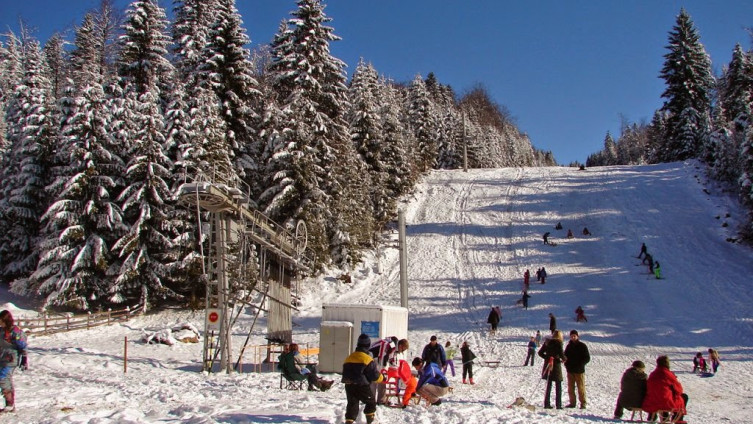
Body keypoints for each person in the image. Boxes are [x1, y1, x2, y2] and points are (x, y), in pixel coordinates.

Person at [342, 334, 384, 424]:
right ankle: (370, 421)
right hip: (362, 385)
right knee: (371, 402)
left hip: (349, 385)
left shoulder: (349, 357)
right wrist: (382, 378)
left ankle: (349, 421)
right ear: (368, 345)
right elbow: (374, 376)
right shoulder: (367, 359)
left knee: (352, 404)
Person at [642, 356, 688, 423]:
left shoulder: (653, 374)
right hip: (665, 402)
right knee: (683, 397)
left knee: (663, 395)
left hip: (652, 400)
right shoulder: (668, 374)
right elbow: (679, 390)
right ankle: (678, 419)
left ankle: (665, 417)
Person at [0, 310, 27, 413]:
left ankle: (10, 403)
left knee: (3, 378)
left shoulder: (15, 331)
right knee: (6, 380)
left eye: (1, 320)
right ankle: (10, 404)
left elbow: (23, 345)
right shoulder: (1, 331)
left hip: (10, 360)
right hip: (1, 358)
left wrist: (24, 359)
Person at [369, 337, 408, 404]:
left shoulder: (394, 347)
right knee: (376, 379)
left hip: (378, 359)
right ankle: (371, 400)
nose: (402, 351)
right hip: (373, 358)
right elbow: (382, 356)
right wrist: (383, 370)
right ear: (400, 346)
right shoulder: (389, 344)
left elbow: (390, 357)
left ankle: (381, 400)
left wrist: (394, 366)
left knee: (383, 379)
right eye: (403, 350)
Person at [538, 330, 565, 409]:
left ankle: (547, 404)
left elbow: (540, 353)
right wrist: (563, 359)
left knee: (548, 385)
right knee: (558, 385)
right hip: (556, 365)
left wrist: (547, 358)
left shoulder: (547, 342)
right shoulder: (559, 343)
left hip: (548, 365)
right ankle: (558, 404)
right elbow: (561, 354)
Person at [564, 330, 590, 409]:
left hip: (579, 371)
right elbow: (565, 357)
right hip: (570, 370)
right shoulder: (568, 346)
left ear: (577, 336)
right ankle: (572, 403)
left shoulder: (582, 346)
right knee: (570, 388)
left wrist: (580, 364)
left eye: (574, 336)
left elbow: (587, 358)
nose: (573, 337)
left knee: (581, 387)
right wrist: (566, 365)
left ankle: (583, 403)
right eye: (572, 336)